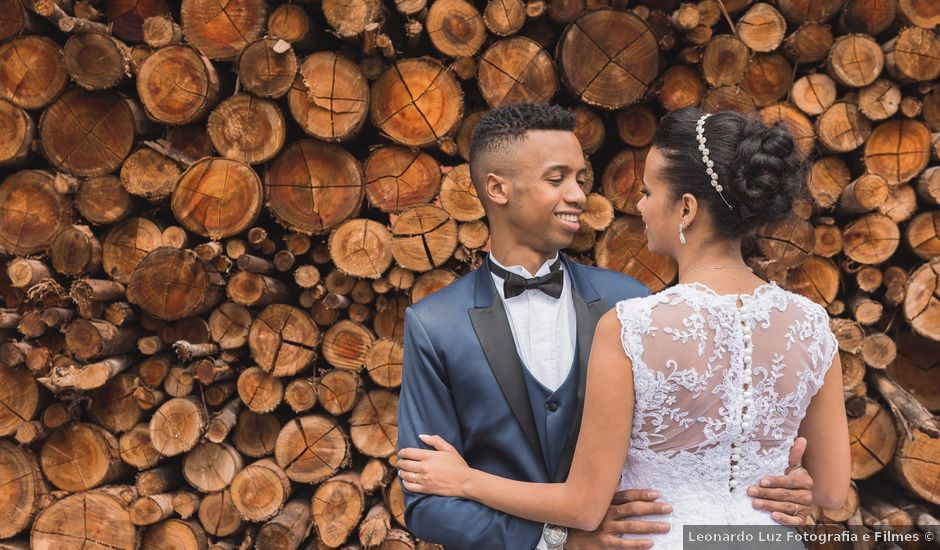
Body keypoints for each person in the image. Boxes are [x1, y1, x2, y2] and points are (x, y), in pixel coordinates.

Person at [396, 104, 826, 549]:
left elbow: (701, 429)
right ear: (497, 188)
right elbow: (426, 500)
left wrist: (779, 479)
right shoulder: (434, 324)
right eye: (556, 178)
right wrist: (560, 539)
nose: (579, 195)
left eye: (580, 179)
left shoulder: (631, 302)